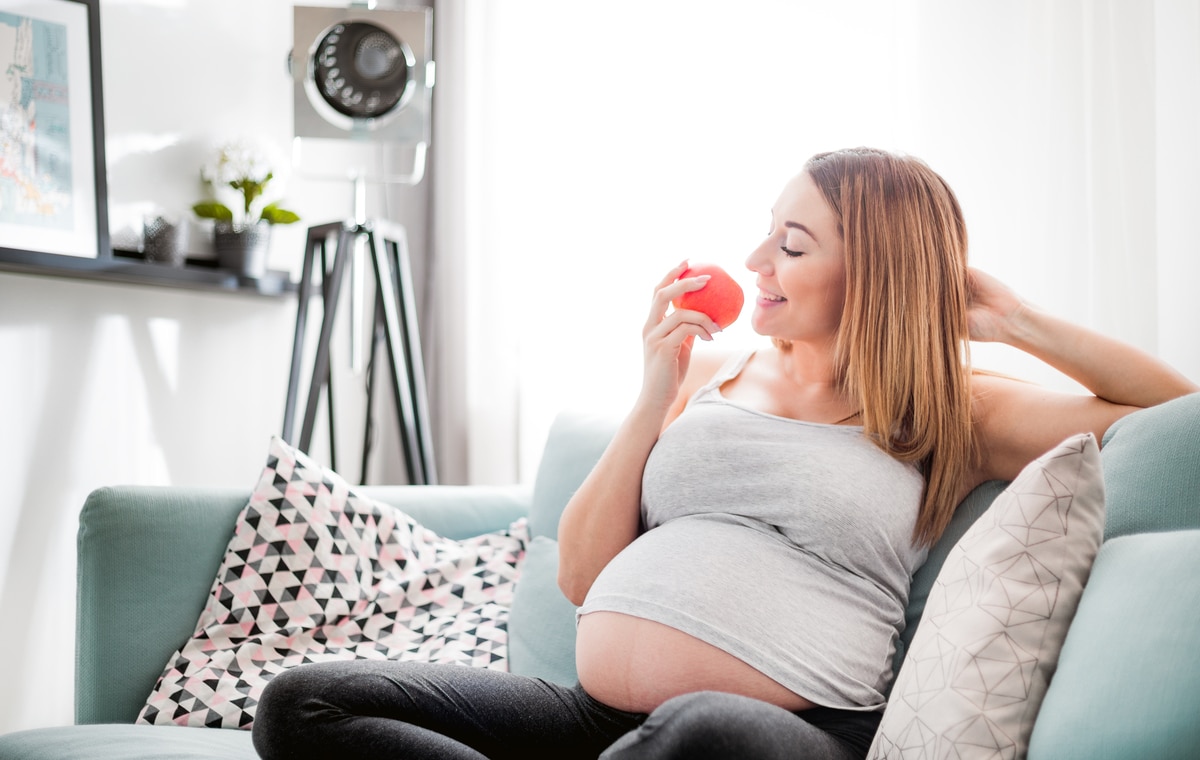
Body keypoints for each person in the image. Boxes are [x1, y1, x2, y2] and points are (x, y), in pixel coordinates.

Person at [251, 147, 1197, 760]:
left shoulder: (952, 409)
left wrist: (1014, 320)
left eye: (789, 246)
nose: (753, 265)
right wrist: (652, 395)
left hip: (792, 730)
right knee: (302, 705)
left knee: (693, 734)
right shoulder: (709, 375)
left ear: (872, 267)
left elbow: (1175, 413)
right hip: (595, 720)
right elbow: (583, 575)